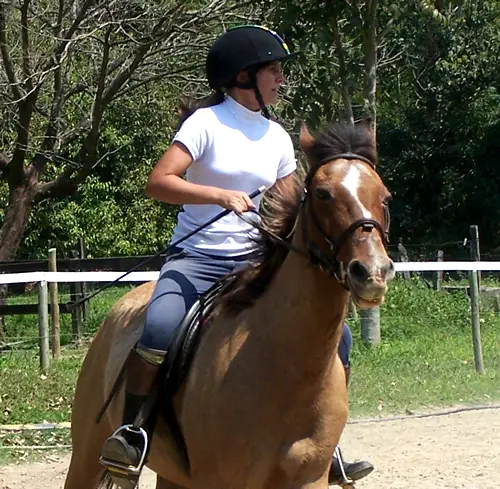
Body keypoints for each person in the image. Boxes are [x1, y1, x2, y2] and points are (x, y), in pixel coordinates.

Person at [99, 24, 373, 488]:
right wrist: (218, 195)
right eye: (273, 70)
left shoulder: (277, 137)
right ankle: (133, 434)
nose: (281, 79)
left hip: (254, 263)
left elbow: (288, 204)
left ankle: (325, 444)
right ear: (244, 76)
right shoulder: (205, 124)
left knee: (339, 337)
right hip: (198, 259)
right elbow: (159, 182)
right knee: (160, 326)